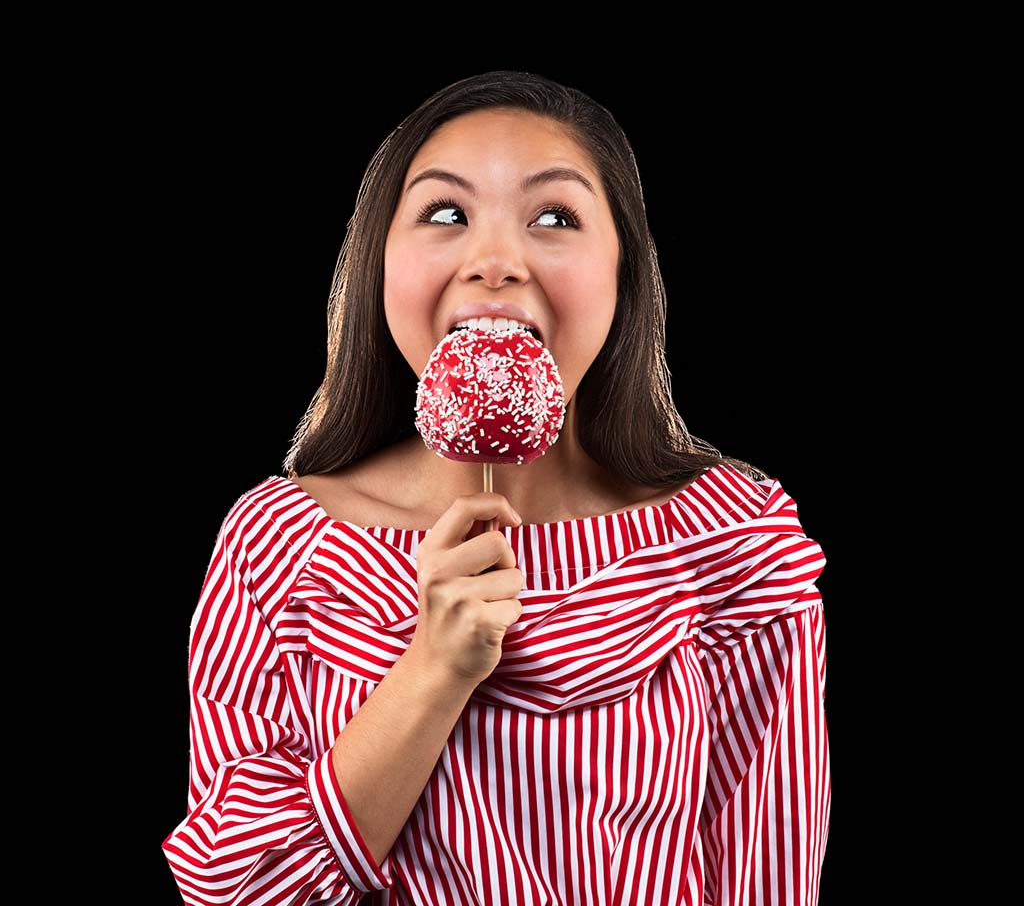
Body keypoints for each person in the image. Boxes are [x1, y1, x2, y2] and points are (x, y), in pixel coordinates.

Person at [163, 70, 830, 905]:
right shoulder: (276, 545)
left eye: (555, 217)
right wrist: (433, 668)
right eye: (446, 214)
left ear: (624, 273)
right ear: (380, 261)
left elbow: (770, 877)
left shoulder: (736, 542)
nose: (494, 263)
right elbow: (235, 888)